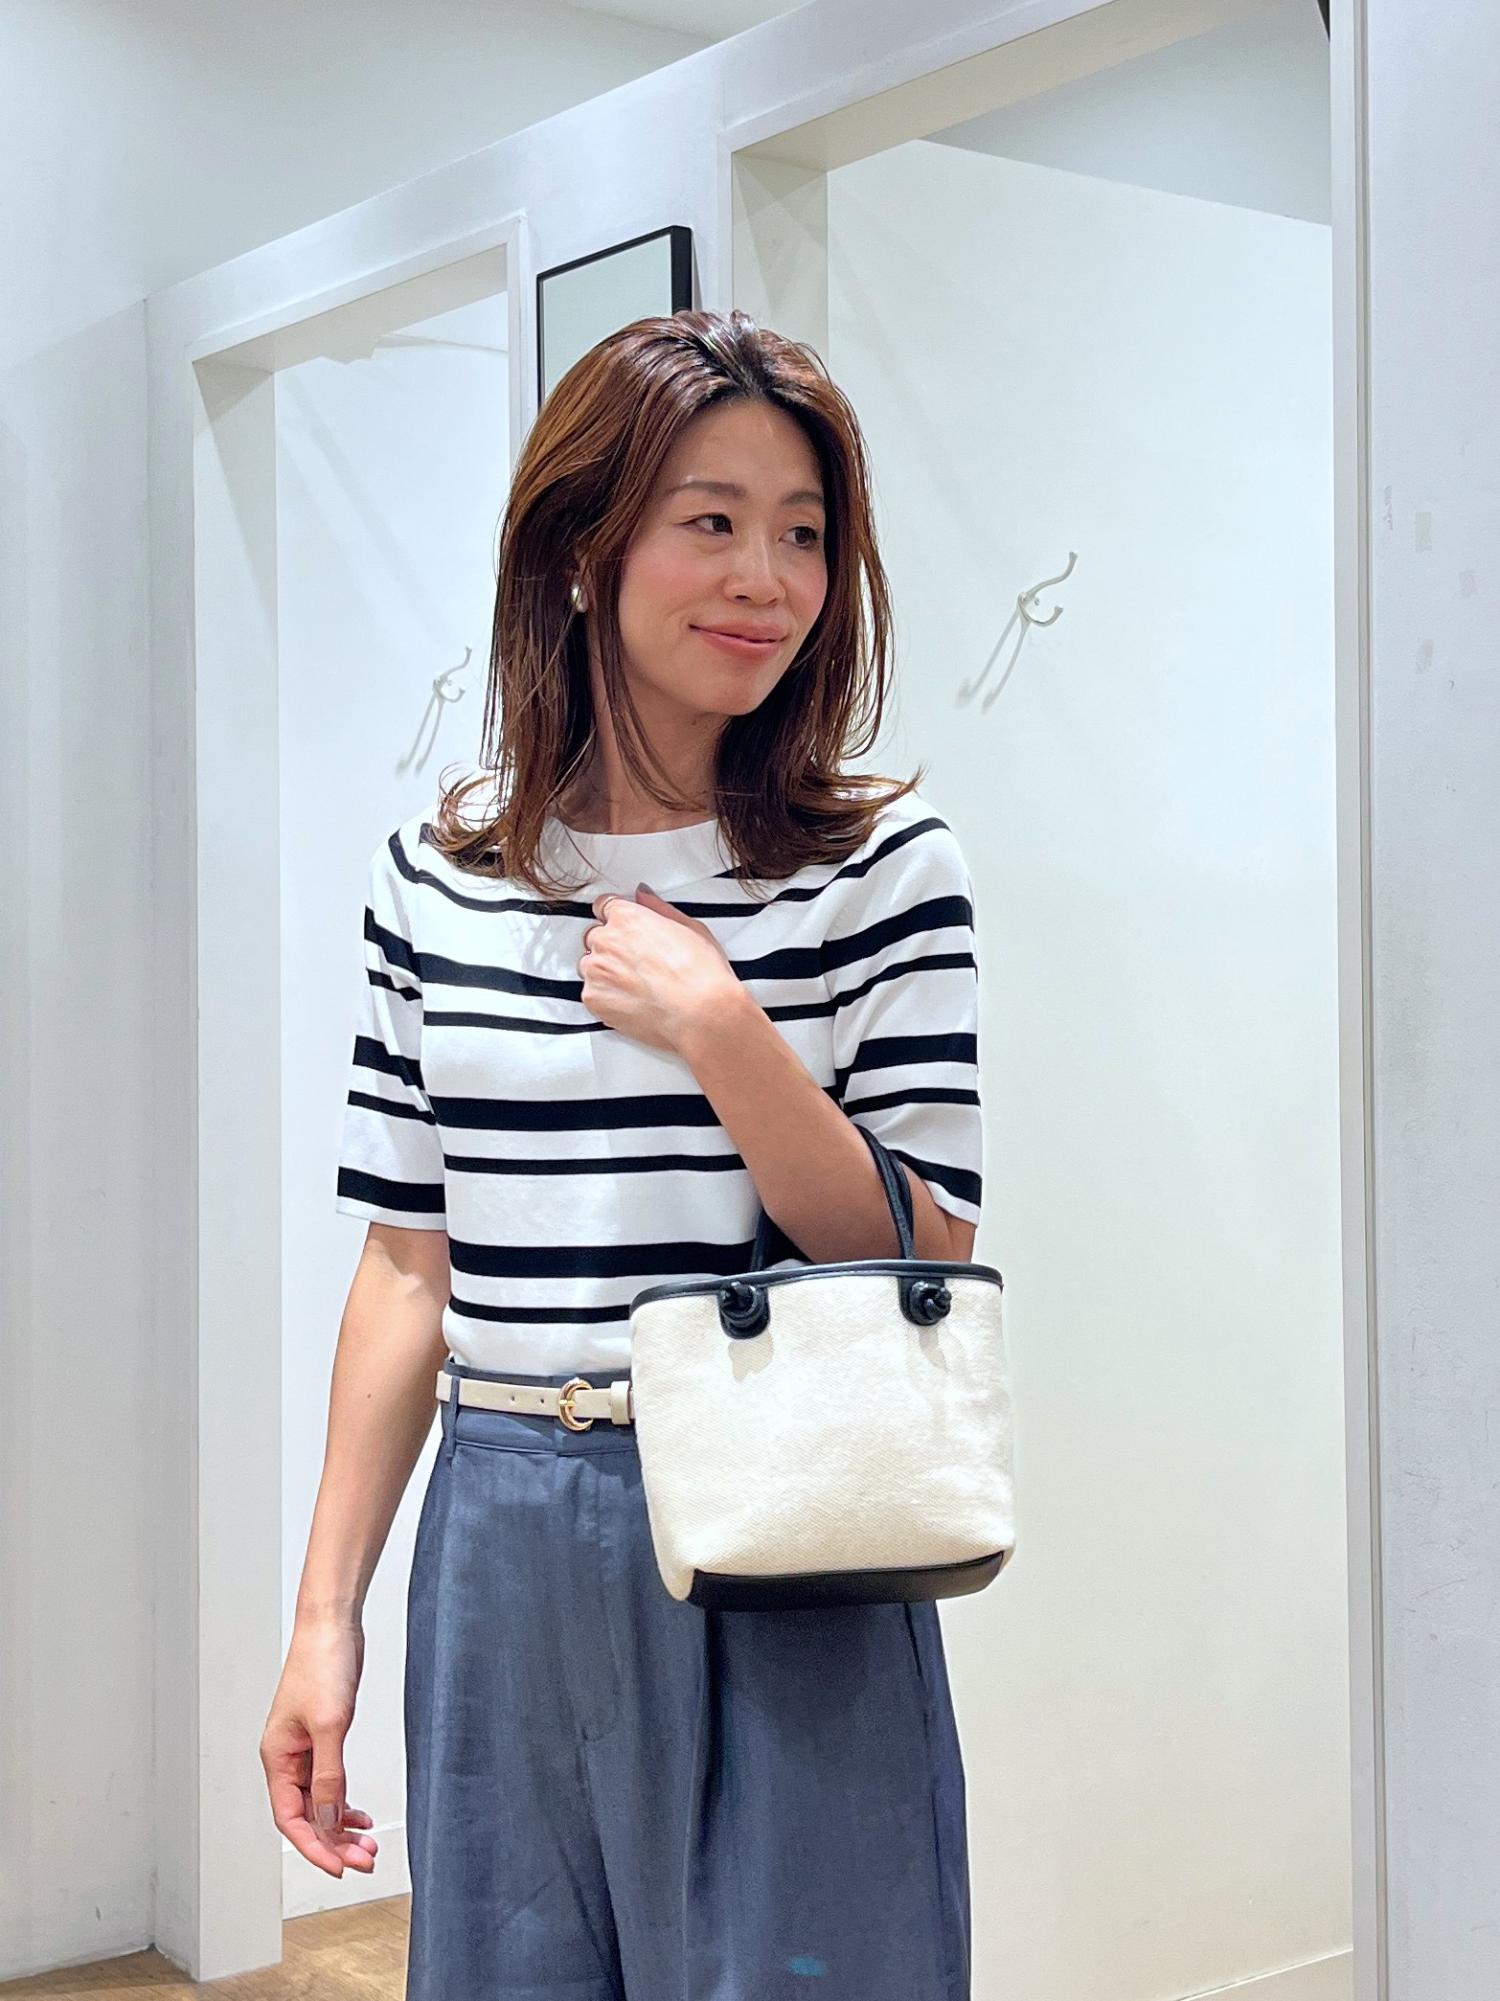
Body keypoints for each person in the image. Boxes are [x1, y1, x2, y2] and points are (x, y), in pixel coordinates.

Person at [260, 307, 985, 1999]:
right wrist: (324, 1615)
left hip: (784, 1530)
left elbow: (923, 1254)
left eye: (802, 533)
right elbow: (408, 1267)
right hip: (502, 1524)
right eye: (710, 520)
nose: (765, 578)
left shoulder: (882, 868)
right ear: (583, 552)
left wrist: (725, 1032)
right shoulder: (437, 878)